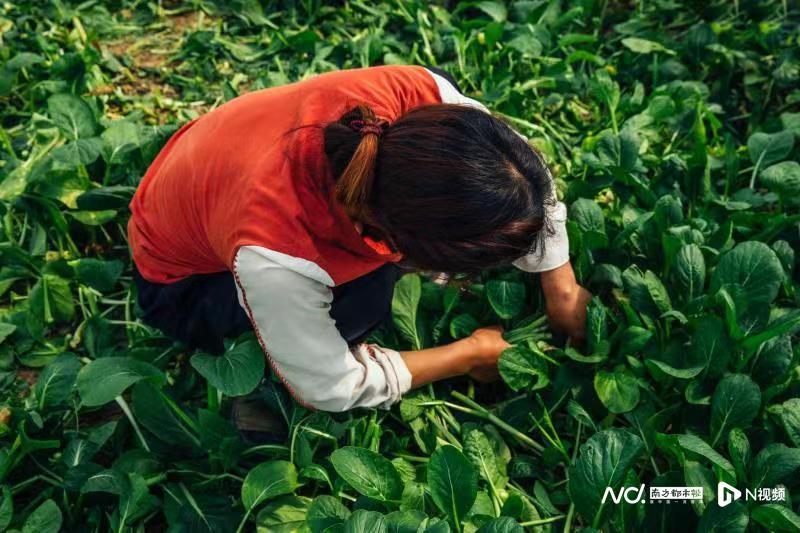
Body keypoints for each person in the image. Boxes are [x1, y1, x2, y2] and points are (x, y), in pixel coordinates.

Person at [128, 65, 591, 412]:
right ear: (405, 250)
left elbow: (520, 172)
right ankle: (261, 398)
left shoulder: (424, 98)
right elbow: (329, 387)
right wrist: (467, 354)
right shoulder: (278, 254)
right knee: (364, 302)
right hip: (182, 283)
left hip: (209, 164)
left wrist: (560, 284)